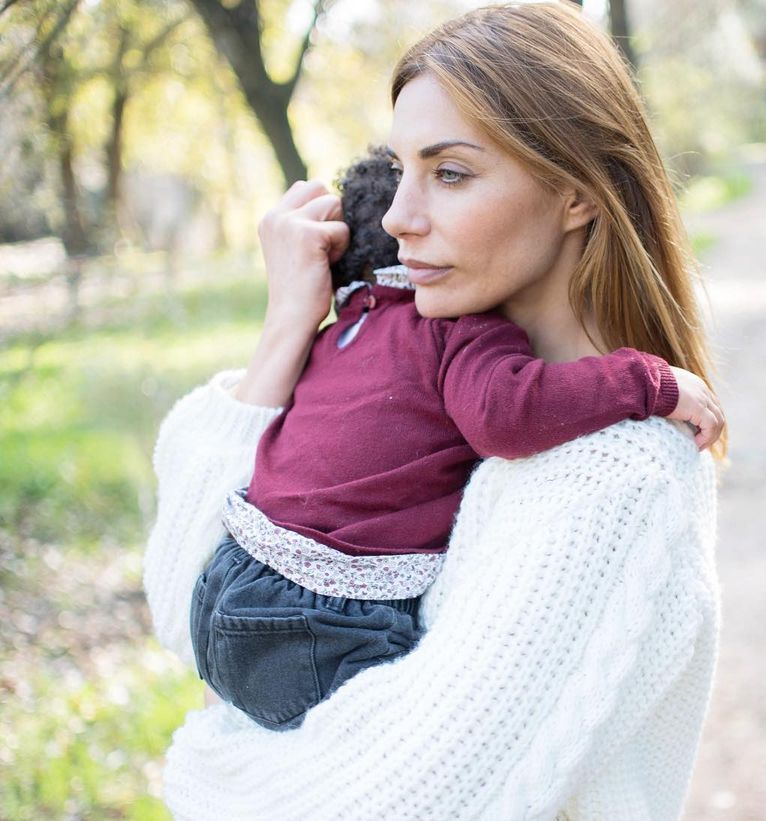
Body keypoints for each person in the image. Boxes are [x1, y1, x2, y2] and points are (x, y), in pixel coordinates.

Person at [143, 2, 725, 818]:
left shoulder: (615, 476)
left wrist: (206, 759)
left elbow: (386, 803)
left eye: (449, 173)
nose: (395, 218)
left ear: (576, 193)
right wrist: (286, 327)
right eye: (402, 169)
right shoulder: (435, 382)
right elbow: (185, 606)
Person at [187, 147, 721, 732]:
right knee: (375, 745)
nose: (406, 217)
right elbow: (507, 412)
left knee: (249, 737)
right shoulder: (453, 331)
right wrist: (647, 381)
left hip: (223, 585)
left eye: (449, 175)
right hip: (320, 623)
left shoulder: (337, 334)